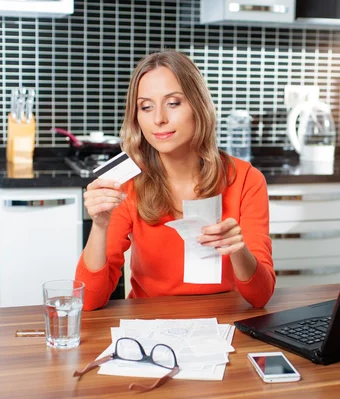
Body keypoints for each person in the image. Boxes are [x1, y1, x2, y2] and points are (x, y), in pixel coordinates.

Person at [75, 51, 275, 311]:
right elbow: (88, 301)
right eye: (146, 107)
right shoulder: (128, 183)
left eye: (173, 103)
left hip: (225, 324)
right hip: (148, 328)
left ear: (198, 105)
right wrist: (100, 225)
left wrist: (238, 249)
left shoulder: (246, 179)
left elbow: (260, 297)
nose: (159, 119)